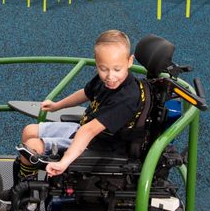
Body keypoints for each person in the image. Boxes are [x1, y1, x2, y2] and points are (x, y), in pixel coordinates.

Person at [16, 29, 144, 179]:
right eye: (103, 69)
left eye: (117, 69)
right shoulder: (106, 81)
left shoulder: (127, 98)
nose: (110, 76)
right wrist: (57, 105)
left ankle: (27, 193)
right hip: (83, 130)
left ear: (129, 61)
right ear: (97, 62)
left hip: (98, 145)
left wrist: (64, 162)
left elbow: (88, 132)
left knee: (32, 146)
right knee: (28, 130)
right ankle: (26, 180)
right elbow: (85, 93)